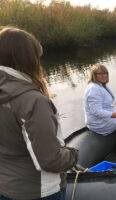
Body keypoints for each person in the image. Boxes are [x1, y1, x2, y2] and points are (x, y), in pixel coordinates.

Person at [0, 27, 78, 200]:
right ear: (28, 58)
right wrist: (73, 155)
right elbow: (51, 160)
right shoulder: (32, 101)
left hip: (5, 187)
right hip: (39, 191)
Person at [82, 64, 116, 166]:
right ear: (94, 75)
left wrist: (114, 109)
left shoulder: (102, 85)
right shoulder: (94, 89)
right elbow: (96, 111)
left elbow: (103, 104)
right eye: (99, 73)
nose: (103, 75)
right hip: (97, 122)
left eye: (105, 73)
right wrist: (114, 114)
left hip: (103, 116)